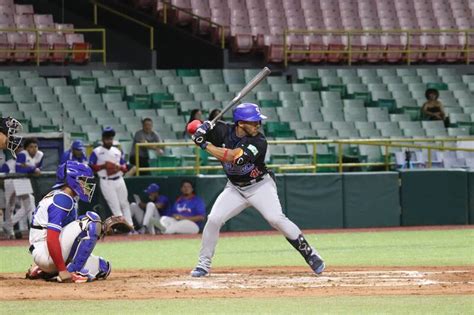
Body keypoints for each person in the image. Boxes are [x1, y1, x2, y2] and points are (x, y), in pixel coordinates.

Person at [189, 103, 325, 277]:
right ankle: (203, 264)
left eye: (258, 122)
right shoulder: (222, 130)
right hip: (235, 188)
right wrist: (200, 128)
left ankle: (310, 254)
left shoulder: (259, 141)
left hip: (260, 186)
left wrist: (204, 145)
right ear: (240, 123)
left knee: (276, 218)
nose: (258, 125)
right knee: (214, 219)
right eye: (253, 122)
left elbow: (232, 157)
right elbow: (193, 127)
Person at [25, 161, 111, 283]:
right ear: (72, 180)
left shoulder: (63, 197)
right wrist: (62, 270)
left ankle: (45, 272)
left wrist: (101, 229)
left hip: (44, 253)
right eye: (83, 180)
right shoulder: (62, 200)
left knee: (103, 267)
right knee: (92, 219)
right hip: (45, 252)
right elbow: (51, 238)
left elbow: (72, 237)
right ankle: (70, 272)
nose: (86, 184)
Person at [89, 127, 133, 227]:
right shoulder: (97, 151)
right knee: (115, 206)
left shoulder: (117, 151)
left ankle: (130, 226)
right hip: (106, 181)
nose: (109, 140)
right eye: (107, 138)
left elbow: (125, 167)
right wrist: (103, 166)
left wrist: (119, 167)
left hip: (119, 179)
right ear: (103, 139)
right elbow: (91, 166)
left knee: (125, 203)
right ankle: (123, 227)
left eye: (111, 138)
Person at [3, 138, 43, 239]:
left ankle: (8, 225)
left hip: (21, 181)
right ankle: (10, 231)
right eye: (17, 148)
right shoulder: (8, 163)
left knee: (29, 204)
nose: (19, 150)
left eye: (20, 147)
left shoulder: (30, 158)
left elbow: (36, 168)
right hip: (9, 183)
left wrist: (30, 168)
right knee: (10, 207)